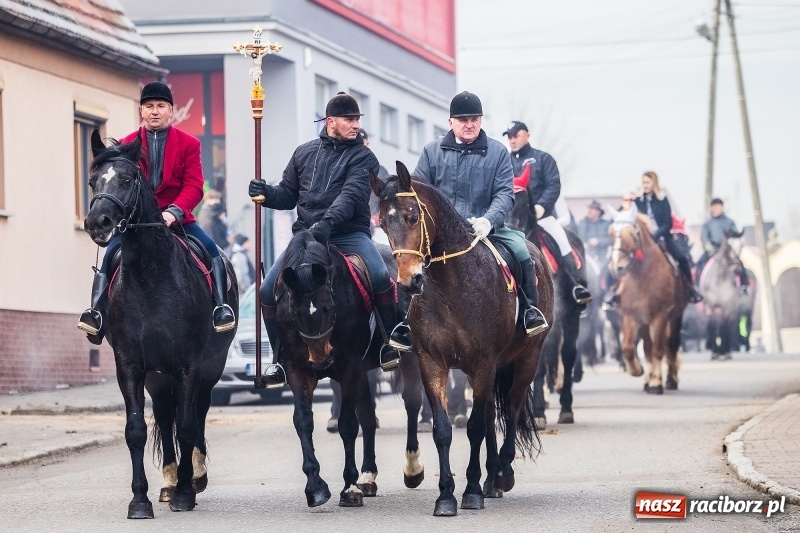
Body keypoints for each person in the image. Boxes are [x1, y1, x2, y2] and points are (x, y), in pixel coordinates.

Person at [248, 92, 402, 387]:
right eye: (349, 119)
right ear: (331, 122)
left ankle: (389, 343)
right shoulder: (303, 153)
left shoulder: (363, 157)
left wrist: (327, 224)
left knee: (382, 275)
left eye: (357, 120)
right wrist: (265, 193)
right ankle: (279, 360)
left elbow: (352, 195)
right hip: (307, 238)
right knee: (267, 288)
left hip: (349, 235)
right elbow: (287, 194)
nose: (355, 125)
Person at [77, 81, 236, 344]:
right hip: (135, 223)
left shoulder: (189, 144)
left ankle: (220, 307)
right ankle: (96, 313)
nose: (154, 111)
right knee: (109, 256)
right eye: (149, 106)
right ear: (141, 110)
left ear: (171, 111)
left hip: (178, 219)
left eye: (160, 106)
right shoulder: (127, 144)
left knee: (210, 249)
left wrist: (173, 212)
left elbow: (195, 185)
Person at [390, 91, 548, 346]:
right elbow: (417, 192)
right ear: (451, 122)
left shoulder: (497, 152)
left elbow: (505, 195)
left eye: (474, 118)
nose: (469, 124)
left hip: (486, 230)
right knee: (408, 258)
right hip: (441, 236)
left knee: (522, 251)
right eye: (463, 119)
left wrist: (488, 220)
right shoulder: (432, 151)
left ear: (481, 120)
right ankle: (404, 323)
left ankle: (530, 311)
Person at [503, 120, 591, 305]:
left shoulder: (544, 159)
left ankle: (577, 285)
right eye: (510, 137)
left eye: (516, 135)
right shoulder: (503, 161)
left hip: (542, 218)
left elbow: (553, 185)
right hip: (511, 219)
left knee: (562, 241)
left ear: (527, 135)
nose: (512, 140)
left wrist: (542, 205)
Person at [635, 171, 702, 303]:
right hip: (642, 240)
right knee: (625, 260)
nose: (645, 185)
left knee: (682, 259)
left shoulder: (662, 200)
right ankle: (616, 291)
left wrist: (657, 234)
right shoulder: (638, 201)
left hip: (662, 237)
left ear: (654, 183)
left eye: (648, 182)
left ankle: (691, 289)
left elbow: (668, 223)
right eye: (643, 182)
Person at [696, 198, 748, 289]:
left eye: (716, 207)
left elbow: (734, 235)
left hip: (727, 249)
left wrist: (736, 238)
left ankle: (744, 286)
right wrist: (708, 246)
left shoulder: (729, 222)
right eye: (713, 207)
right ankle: (697, 287)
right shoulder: (708, 223)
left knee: (739, 264)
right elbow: (704, 236)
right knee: (699, 264)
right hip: (712, 250)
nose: (714, 209)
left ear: (722, 208)